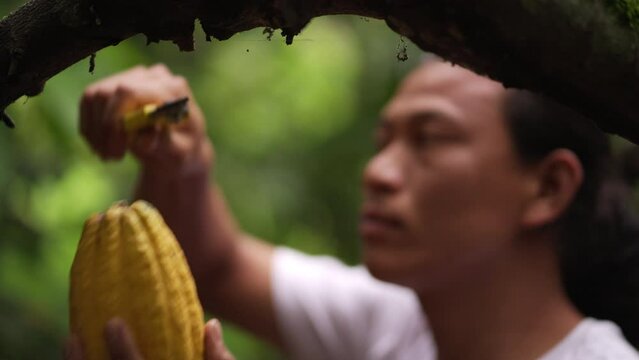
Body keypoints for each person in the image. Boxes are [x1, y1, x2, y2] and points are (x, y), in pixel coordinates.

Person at [74, 59, 639, 359]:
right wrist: (176, 138)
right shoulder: (397, 326)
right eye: (384, 141)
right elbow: (217, 267)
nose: (379, 171)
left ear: (548, 188)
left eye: (430, 138)